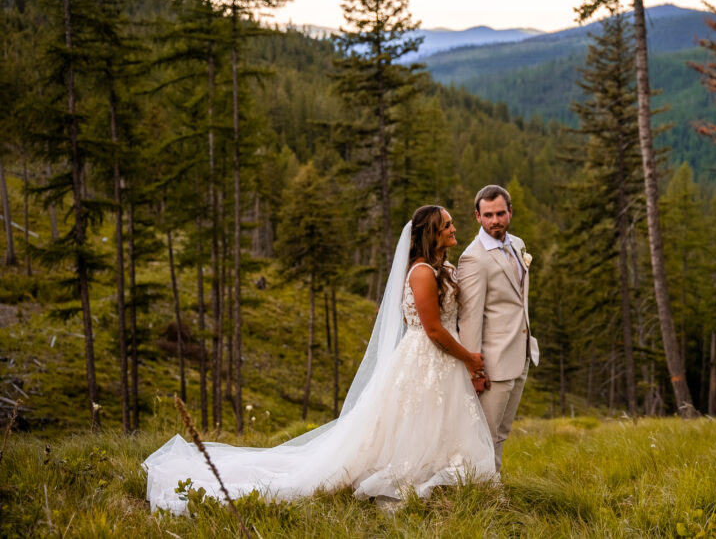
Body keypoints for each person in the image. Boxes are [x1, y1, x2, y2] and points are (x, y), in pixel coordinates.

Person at [144, 206, 495, 513]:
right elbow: (432, 329)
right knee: (414, 418)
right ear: (432, 232)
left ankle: (436, 471)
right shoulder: (421, 272)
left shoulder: (439, 268)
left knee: (430, 418)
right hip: (428, 355)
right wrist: (469, 359)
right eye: (447, 225)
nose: (453, 229)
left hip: (440, 358)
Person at [457, 185, 539, 473]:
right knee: (485, 435)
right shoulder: (473, 259)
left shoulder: (517, 245)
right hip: (492, 364)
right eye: (488, 215)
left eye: (500, 213)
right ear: (477, 217)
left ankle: (494, 485)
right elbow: (469, 319)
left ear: (510, 212)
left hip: (520, 355)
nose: (496, 221)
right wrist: (475, 368)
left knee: (502, 434)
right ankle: (481, 493)